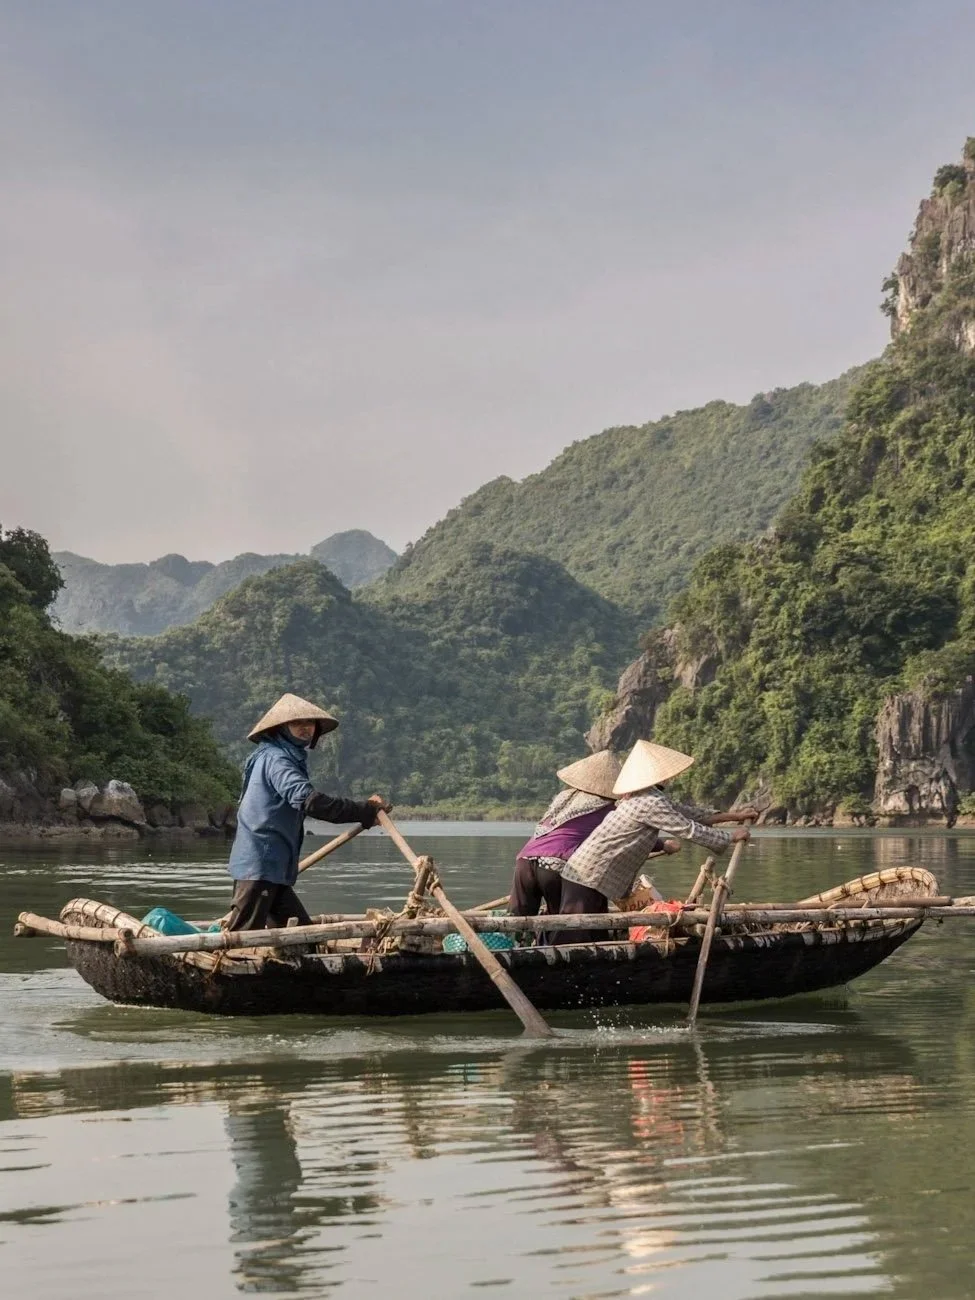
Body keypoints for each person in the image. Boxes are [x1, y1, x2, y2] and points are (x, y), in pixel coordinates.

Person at [226, 692, 389, 931]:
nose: (305, 729)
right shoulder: (277, 759)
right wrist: (364, 810)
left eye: (309, 723)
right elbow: (310, 802)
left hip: (272, 869)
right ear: (281, 728)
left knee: (303, 938)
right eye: (297, 723)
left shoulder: (281, 757)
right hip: (261, 865)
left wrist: (365, 814)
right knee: (242, 940)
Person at [508, 751, 680, 943]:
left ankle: (515, 950)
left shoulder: (565, 798)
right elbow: (627, 836)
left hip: (525, 862)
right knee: (573, 922)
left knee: (518, 923)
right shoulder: (611, 807)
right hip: (561, 865)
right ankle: (571, 958)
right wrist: (664, 845)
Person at [560, 739, 754, 904]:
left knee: (591, 932)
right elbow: (687, 829)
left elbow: (689, 814)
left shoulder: (646, 796)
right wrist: (730, 838)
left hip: (589, 875)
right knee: (579, 935)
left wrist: (733, 816)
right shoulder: (649, 802)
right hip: (590, 875)